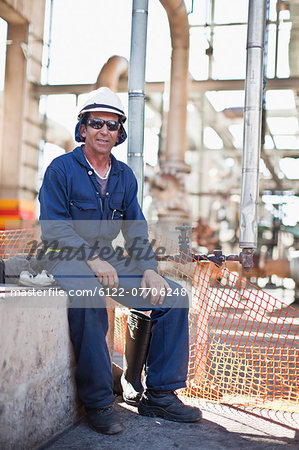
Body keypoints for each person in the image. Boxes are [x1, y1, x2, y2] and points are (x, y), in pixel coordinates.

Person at [38, 87, 201, 435]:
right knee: (90, 302)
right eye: (96, 123)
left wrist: (150, 269)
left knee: (174, 297)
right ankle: (98, 402)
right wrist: (93, 259)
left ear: (119, 134)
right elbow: (54, 228)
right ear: (82, 129)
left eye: (112, 126)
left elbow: (136, 229)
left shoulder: (124, 176)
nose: (104, 131)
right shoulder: (61, 169)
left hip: (109, 261)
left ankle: (159, 395)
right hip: (65, 258)